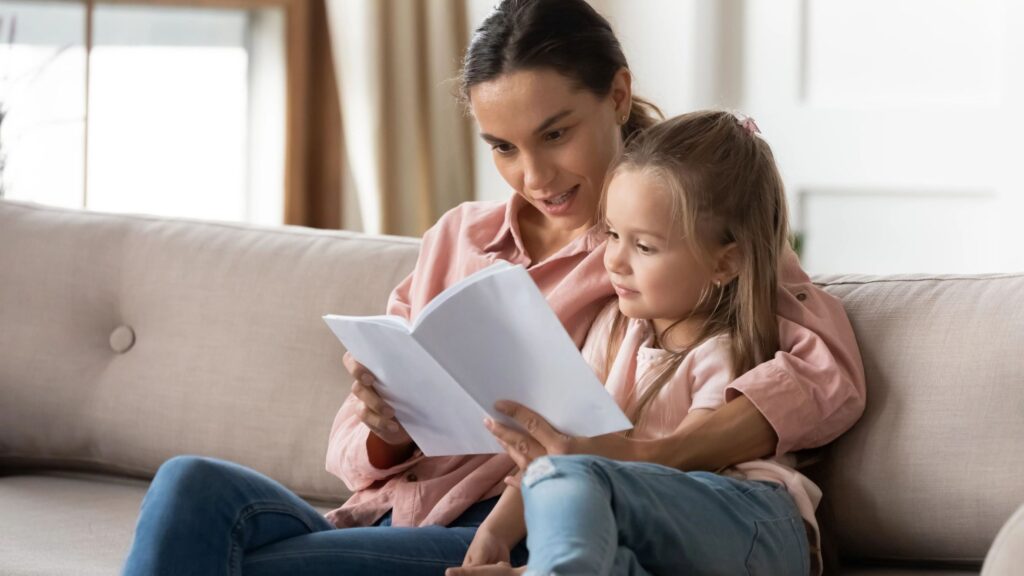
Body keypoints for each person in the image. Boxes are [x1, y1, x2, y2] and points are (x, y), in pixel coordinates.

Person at [121, 1, 863, 574]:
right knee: (190, 486)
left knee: (228, 560)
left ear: (617, 95)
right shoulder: (458, 238)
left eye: (555, 134)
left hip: (509, 524)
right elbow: (348, 452)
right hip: (387, 513)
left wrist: (643, 455)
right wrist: (385, 425)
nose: (534, 177)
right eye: (503, 148)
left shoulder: (675, 236)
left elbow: (820, 368)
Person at [449, 110, 825, 576]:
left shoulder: (725, 348)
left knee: (577, 476)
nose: (614, 260)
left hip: (733, 513)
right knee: (567, 483)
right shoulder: (611, 330)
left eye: (643, 246)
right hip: (647, 530)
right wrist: (497, 533)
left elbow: (680, 467)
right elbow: (559, 453)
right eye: (611, 234)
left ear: (725, 263)